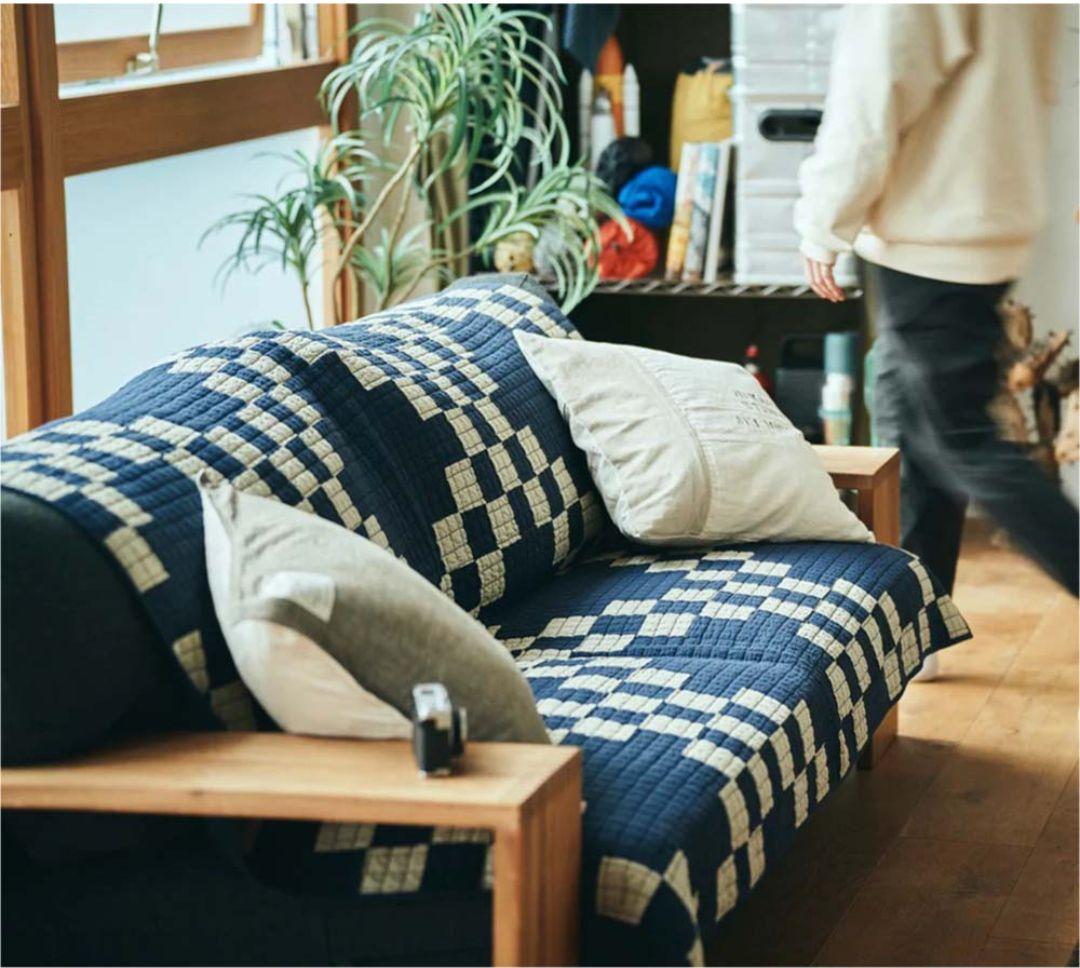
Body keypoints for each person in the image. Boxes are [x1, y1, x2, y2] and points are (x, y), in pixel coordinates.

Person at [794, 3, 1078, 675]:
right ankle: (918, 632)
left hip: (935, 230)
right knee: (912, 423)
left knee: (961, 439)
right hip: (976, 215)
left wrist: (822, 223)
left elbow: (872, 94)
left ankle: (916, 631)